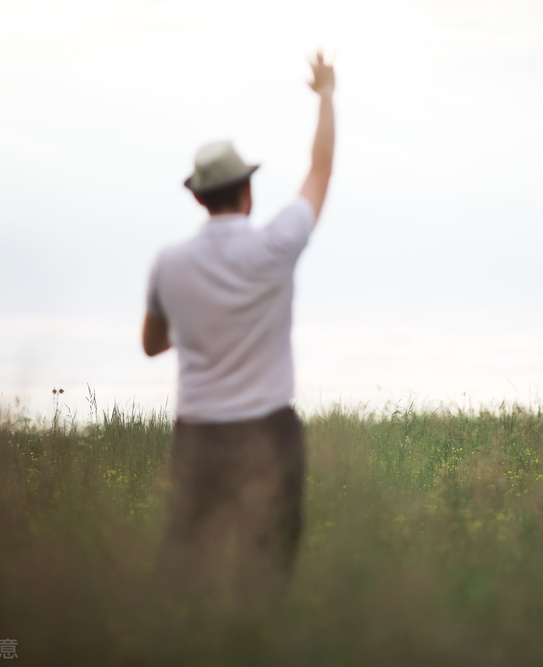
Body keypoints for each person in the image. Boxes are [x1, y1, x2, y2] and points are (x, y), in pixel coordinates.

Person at [142, 53, 335, 600]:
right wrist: (325, 95)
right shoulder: (276, 245)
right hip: (268, 432)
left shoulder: (168, 265)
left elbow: (152, 345)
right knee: (268, 568)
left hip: (198, 433)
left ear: (199, 198)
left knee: (187, 565)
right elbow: (320, 170)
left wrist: (199, 321)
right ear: (247, 192)